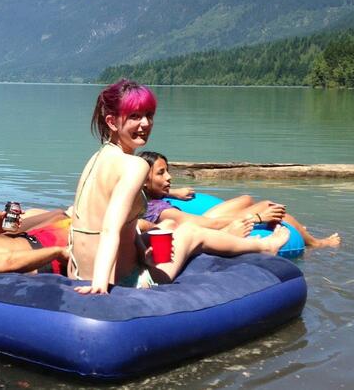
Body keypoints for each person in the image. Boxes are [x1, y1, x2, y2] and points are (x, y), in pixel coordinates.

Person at [68, 79, 290, 294]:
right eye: (135, 116)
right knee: (191, 232)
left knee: (165, 228)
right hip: (120, 281)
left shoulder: (96, 159)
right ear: (111, 122)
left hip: (77, 273)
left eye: (149, 115)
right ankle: (263, 246)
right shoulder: (135, 165)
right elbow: (109, 228)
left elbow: (101, 222)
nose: (145, 124)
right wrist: (99, 285)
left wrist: (140, 249)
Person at [139, 151, 341, 248]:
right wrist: (257, 217)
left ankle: (300, 230)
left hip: (192, 216)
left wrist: (172, 193)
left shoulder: (145, 196)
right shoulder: (161, 212)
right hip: (207, 229)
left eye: (168, 171)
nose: (169, 177)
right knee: (268, 207)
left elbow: (151, 193)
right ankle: (316, 242)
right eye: (161, 173)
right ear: (144, 181)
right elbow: (210, 225)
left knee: (246, 198)